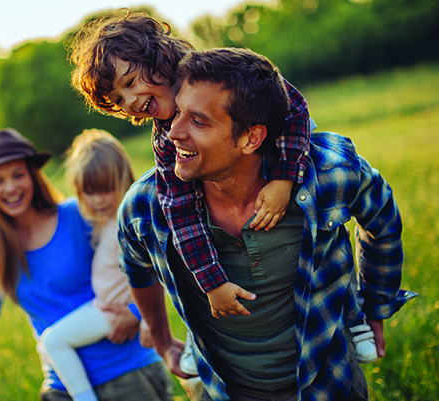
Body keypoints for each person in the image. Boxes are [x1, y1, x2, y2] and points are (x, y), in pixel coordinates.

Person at [68, 10, 378, 368]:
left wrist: (284, 179)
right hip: (230, 205)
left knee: (318, 237)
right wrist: (212, 282)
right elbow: (181, 214)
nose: (131, 100)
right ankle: (201, 345)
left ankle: (352, 317)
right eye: (119, 100)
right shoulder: (165, 141)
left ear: (158, 57)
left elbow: (294, 108)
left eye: (131, 81)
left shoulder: (222, 74)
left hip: (283, 161)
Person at [117, 48, 417, 400]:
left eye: (198, 121)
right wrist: (163, 339)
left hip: (330, 384)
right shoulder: (146, 204)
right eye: (177, 113)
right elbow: (137, 269)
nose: (173, 133)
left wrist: (375, 306)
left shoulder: (328, 171)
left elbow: (382, 220)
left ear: (251, 138)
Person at [0, 128, 173, 401]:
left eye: (18, 175)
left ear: (33, 176)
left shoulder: (79, 214)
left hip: (127, 376)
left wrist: (137, 313)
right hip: (62, 388)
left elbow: (146, 265)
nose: (10, 187)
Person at [37, 128, 153, 401]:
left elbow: (156, 270)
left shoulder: (127, 225)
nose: (98, 199)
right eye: (89, 192)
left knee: (53, 341)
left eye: (106, 189)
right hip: (105, 305)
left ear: (123, 180)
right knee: (51, 342)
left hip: (113, 309)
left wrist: (146, 319)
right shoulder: (105, 221)